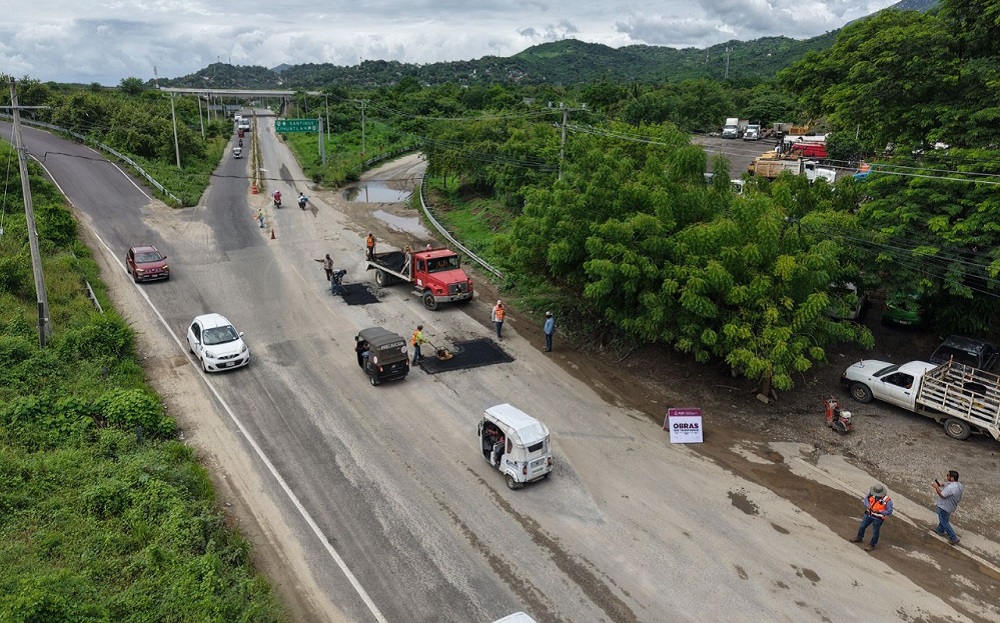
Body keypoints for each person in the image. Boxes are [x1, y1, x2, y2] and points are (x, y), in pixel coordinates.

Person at [851, 483, 893, 551]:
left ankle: (872, 545)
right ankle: (859, 537)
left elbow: (889, 511)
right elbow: (866, 499)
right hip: (868, 515)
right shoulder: (871, 494)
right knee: (862, 526)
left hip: (878, 518)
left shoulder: (887, 501)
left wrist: (880, 511)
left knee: (875, 531)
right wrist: (868, 505)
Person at [932, 470, 964, 545]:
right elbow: (947, 485)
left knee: (944, 521)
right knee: (944, 519)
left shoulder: (951, 487)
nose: (947, 476)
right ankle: (940, 530)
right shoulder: (959, 485)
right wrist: (942, 484)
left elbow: (942, 495)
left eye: (948, 475)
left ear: (952, 478)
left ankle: (953, 537)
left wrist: (936, 487)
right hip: (951, 506)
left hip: (944, 506)